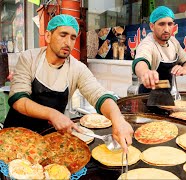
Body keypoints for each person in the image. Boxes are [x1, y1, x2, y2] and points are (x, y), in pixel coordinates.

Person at [4, 14, 133, 152]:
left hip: (49, 140)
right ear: (48, 36)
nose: (68, 42)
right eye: (63, 35)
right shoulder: (29, 58)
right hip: (15, 136)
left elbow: (99, 95)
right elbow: (19, 99)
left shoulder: (77, 68)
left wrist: (118, 119)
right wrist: (52, 114)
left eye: (72, 37)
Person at [133, 6, 186, 94]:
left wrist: (185, 68)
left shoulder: (173, 41)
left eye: (170, 24)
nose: (166, 29)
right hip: (147, 98)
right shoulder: (147, 44)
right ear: (152, 26)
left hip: (168, 95)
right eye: (161, 24)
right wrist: (145, 72)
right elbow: (140, 62)